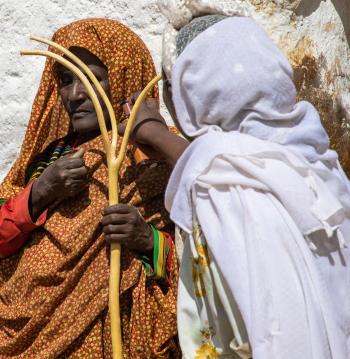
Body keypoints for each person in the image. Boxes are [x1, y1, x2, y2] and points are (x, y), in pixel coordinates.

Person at [0, 18, 180, 358]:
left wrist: (148, 241)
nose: (75, 94)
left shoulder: (164, 156)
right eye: (65, 80)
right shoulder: (52, 158)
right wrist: (41, 191)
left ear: (123, 76)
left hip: (124, 335)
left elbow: (209, 248)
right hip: (37, 338)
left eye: (92, 79)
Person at [121, 15, 350, 359]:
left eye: (175, 86)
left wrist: (157, 134)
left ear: (191, 92)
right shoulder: (315, 156)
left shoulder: (224, 183)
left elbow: (217, 165)